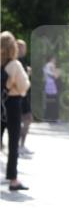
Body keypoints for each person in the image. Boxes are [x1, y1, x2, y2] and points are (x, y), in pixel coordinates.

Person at [2, 31, 30, 191]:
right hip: (12, 104)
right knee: (13, 143)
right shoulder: (15, 64)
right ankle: (13, 179)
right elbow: (23, 87)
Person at [16, 40, 32, 156]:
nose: (23, 50)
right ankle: (18, 146)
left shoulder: (22, 61)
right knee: (22, 120)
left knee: (27, 119)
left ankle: (20, 145)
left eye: (24, 48)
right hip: (18, 95)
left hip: (24, 95)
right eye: (21, 48)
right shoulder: (16, 62)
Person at [43, 56, 60, 122]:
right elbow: (55, 75)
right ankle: (53, 117)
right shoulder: (50, 65)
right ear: (51, 59)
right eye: (54, 59)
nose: (55, 61)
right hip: (51, 86)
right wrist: (57, 73)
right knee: (53, 102)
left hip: (49, 86)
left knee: (49, 101)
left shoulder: (46, 66)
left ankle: (48, 117)